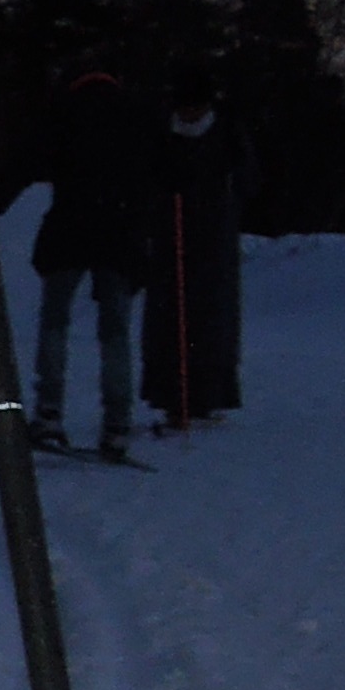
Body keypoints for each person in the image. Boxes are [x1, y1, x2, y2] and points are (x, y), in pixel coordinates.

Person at [18, 41, 147, 462]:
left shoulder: (63, 110)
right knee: (115, 330)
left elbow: (35, 158)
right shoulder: (132, 111)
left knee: (55, 321)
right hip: (119, 230)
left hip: (70, 227)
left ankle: (49, 415)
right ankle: (117, 426)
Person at [142, 59, 247, 424]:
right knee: (169, 320)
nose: (189, 114)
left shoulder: (227, 131)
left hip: (214, 239)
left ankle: (208, 395)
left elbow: (247, 177)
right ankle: (173, 398)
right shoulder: (163, 132)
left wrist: (226, 192)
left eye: (195, 107)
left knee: (211, 320)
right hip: (171, 236)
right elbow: (148, 174)